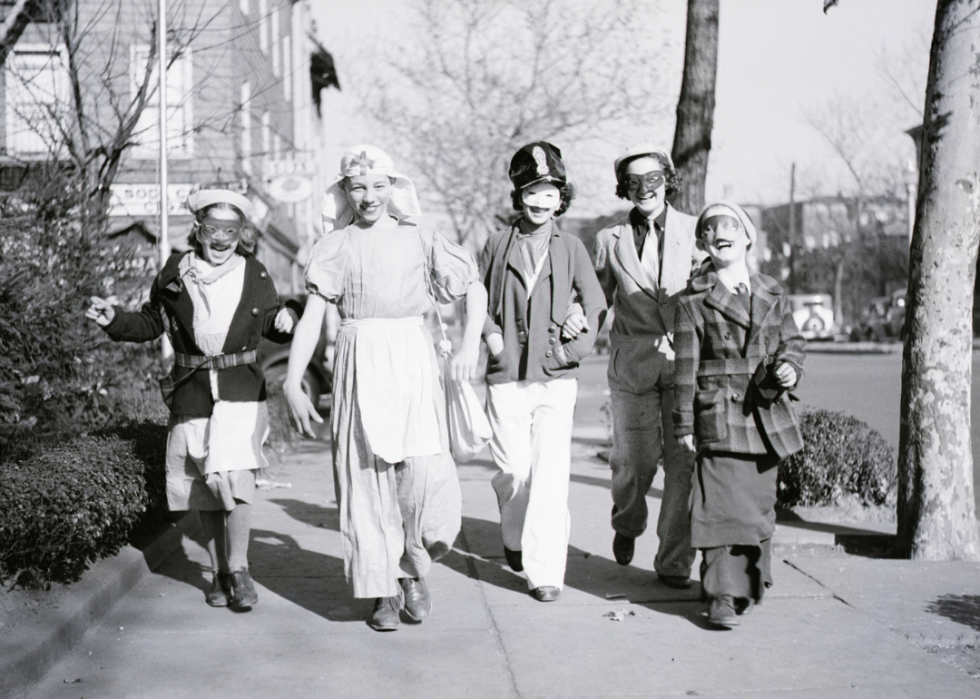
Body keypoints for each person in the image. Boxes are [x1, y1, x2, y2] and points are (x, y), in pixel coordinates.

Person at [284, 145, 487, 632]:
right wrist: (292, 379)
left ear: (393, 188)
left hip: (411, 357)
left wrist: (469, 346)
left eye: (378, 185)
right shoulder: (335, 246)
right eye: (358, 187)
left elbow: (472, 288)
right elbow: (313, 317)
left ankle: (411, 567)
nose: (368, 196)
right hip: (359, 357)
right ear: (344, 191)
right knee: (364, 479)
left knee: (422, 478)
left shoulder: (421, 238)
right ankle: (382, 589)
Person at [86, 189, 299, 611]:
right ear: (198, 230)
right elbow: (151, 322)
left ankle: (239, 569)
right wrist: (114, 320)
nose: (221, 240)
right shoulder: (174, 272)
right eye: (213, 229)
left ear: (242, 233)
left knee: (236, 478)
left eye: (231, 231)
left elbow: (273, 319)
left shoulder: (254, 273)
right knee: (205, 485)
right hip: (194, 389)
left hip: (240, 389)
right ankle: (220, 571)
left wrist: (285, 317)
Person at [480, 141, 606, 602]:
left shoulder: (571, 247)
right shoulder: (496, 244)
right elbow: (479, 301)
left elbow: (594, 304)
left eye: (549, 191)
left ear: (561, 196)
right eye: (531, 190)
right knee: (514, 472)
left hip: (556, 378)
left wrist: (574, 344)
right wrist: (492, 337)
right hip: (506, 375)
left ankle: (545, 571)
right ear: (518, 193)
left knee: (551, 476)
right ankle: (512, 534)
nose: (540, 200)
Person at [673, 201, 805, 628]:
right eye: (710, 228)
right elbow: (685, 370)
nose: (720, 232)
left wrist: (790, 365)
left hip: (766, 412)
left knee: (755, 507)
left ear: (748, 238)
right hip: (719, 412)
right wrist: (684, 424)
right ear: (703, 243)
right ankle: (721, 594)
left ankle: (746, 584)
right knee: (718, 507)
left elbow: (794, 343)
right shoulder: (692, 301)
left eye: (730, 225)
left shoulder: (773, 291)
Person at [592, 143, 705, 587]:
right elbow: (596, 297)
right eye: (634, 182)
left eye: (653, 179)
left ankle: (675, 561)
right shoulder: (608, 239)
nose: (644, 189)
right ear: (624, 188)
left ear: (668, 180)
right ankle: (627, 521)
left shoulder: (697, 232)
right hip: (631, 364)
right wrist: (575, 335)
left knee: (684, 465)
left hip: (685, 366)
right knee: (633, 462)